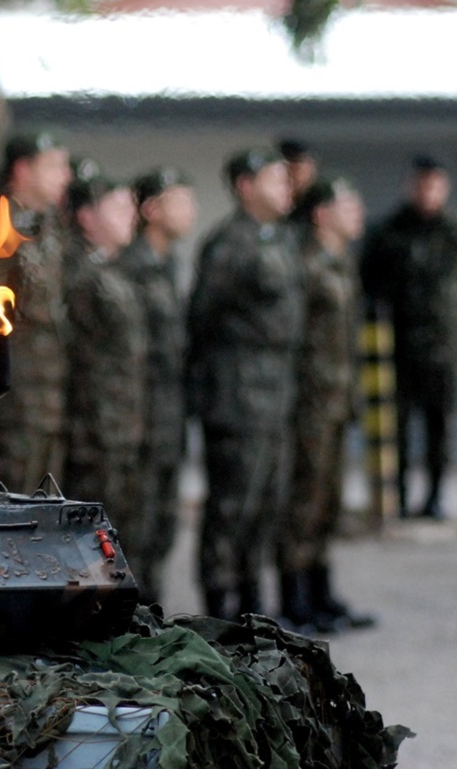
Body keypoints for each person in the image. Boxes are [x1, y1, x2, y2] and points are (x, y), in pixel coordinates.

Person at [186, 147, 304, 621]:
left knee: (265, 506)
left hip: (275, 394)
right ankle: (219, 607)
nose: (286, 188)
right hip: (238, 397)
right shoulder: (228, 244)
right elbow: (203, 317)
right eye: (275, 180)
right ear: (245, 187)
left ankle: (253, 604)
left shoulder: (278, 239)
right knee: (231, 508)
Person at [277, 175, 376, 633]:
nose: (356, 212)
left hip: (336, 399)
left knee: (328, 500)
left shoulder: (341, 262)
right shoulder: (306, 265)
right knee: (305, 499)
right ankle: (295, 597)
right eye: (346, 204)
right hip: (309, 401)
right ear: (320, 215)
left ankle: (321, 591)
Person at [0, 130, 72, 493]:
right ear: (23, 170)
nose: (65, 176)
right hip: (12, 405)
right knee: (6, 510)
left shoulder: (52, 229)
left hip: (48, 402)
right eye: (54, 166)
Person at [361, 154, 457, 520]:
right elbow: (369, 287)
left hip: (441, 349)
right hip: (394, 348)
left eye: (434, 185)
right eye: (421, 184)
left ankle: (434, 497)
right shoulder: (388, 234)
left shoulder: (450, 235)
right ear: (409, 186)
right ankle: (395, 496)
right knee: (394, 428)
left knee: (438, 429)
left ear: (444, 189)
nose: (427, 192)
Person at [62, 172, 147, 574]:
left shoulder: (116, 271)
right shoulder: (79, 275)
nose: (130, 215)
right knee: (91, 539)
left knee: (121, 529)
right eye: (118, 206)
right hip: (92, 428)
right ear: (87, 216)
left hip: (119, 422)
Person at [121, 167, 197, 605]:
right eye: (179, 200)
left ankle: (154, 607)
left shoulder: (168, 265)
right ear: (151, 209)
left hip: (171, 411)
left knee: (165, 521)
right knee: (139, 520)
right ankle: (135, 609)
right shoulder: (133, 268)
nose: (190, 211)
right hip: (143, 414)